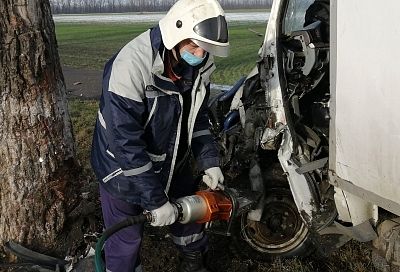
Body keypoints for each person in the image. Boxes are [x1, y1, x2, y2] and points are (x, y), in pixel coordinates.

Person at [90, 0, 229, 271]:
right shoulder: (129, 67)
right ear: (175, 34)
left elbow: (197, 117)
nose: (200, 54)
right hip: (122, 170)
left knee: (191, 217)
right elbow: (125, 144)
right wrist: (156, 200)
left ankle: (192, 261)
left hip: (173, 156)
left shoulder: (199, 65)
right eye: (193, 45)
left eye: (205, 47)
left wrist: (209, 160)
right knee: (125, 241)